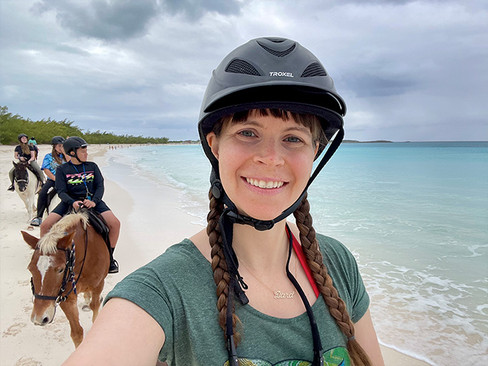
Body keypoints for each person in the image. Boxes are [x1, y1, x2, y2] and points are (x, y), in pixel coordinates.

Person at [62, 37, 384, 366]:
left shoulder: (339, 263)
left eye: (293, 138)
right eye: (248, 132)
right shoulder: (162, 290)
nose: (271, 159)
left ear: (315, 151)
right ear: (215, 146)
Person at [40, 136, 120, 273]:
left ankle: (110, 257)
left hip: (93, 202)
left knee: (115, 224)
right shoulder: (62, 170)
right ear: (72, 153)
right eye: (83, 151)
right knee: (45, 225)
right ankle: (44, 256)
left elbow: (100, 186)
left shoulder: (92, 166)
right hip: (69, 202)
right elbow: (61, 191)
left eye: (86, 151)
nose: (86, 154)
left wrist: (94, 201)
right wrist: (72, 202)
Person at [30, 136, 68, 226]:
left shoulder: (67, 156)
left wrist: (65, 153)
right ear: (54, 146)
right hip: (53, 180)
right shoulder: (49, 157)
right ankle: (39, 216)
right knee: (43, 193)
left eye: (63, 146)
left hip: (66, 180)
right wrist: (56, 179)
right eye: (59, 146)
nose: (61, 147)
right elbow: (46, 170)